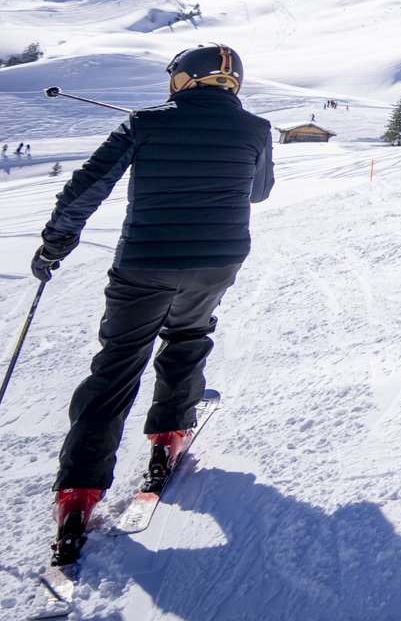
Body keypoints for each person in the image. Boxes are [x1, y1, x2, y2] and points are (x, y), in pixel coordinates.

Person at [31, 44, 274, 565]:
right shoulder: (256, 129)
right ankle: (169, 432)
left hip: (145, 264)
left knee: (117, 365)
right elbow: (259, 193)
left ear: (185, 80)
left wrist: (57, 242)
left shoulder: (143, 124)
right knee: (187, 338)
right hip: (216, 263)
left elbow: (87, 186)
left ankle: (79, 493)